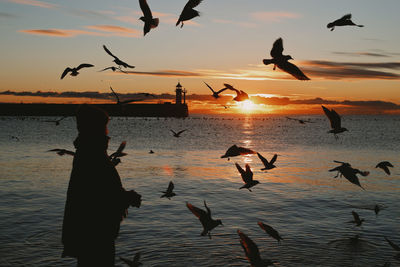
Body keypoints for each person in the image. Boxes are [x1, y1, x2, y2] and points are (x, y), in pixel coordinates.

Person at [61, 104, 141, 266]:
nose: (107, 131)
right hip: (96, 234)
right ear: (96, 128)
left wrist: (124, 196)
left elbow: (97, 190)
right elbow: (98, 196)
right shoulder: (93, 153)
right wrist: (127, 197)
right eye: (104, 126)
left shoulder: (87, 150)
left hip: (88, 232)